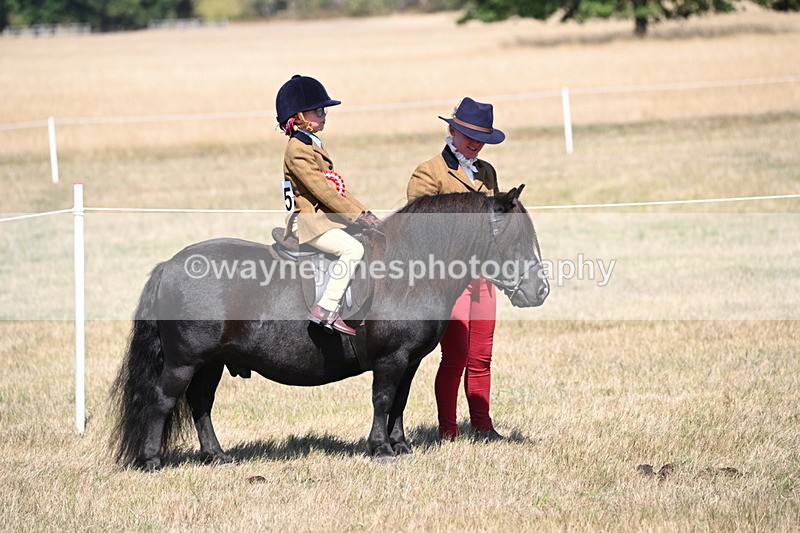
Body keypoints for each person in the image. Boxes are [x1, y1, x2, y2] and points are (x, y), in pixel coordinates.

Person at [407, 97, 506, 441]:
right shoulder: (428, 173)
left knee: (482, 356)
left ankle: (483, 425)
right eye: (469, 135)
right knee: (456, 356)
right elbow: (419, 229)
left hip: (483, 277)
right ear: (452, 130)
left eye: (481, 138)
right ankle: (448, 431)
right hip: (448, 281)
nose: (475, 144)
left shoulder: (488, 172)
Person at [276, 74, 380, 336]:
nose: (324, 115)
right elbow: (323, 192)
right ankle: (326, 308)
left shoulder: (312, 144)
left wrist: (365, 214)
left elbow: (338, 189)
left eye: (324, 110)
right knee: (352, 250)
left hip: (324, 220)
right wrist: (356, 217)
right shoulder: (297, 150)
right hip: (309, 223)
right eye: (318, 110)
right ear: (299, 115)